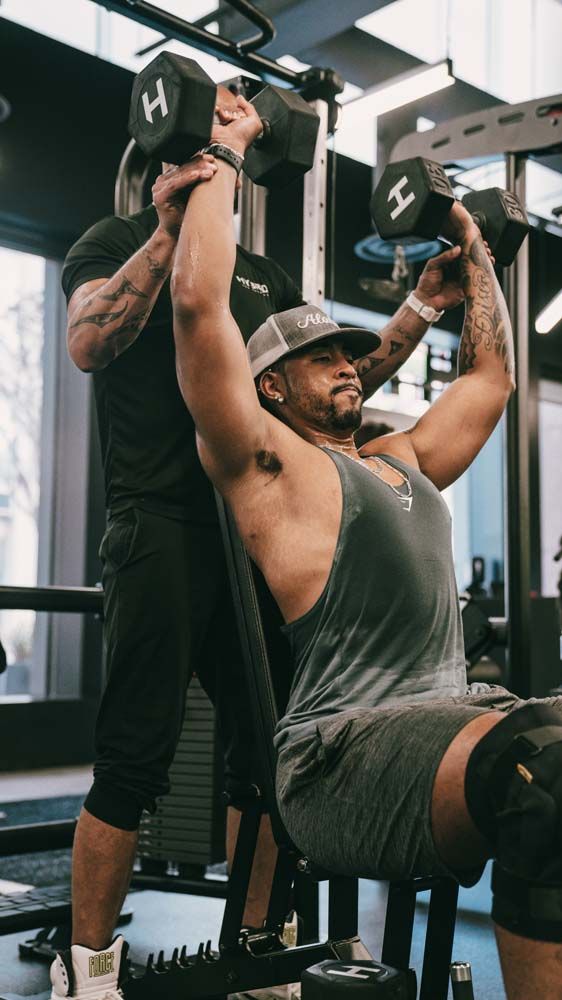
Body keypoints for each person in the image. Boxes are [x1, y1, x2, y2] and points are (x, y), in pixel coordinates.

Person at [51, 84, 464, 1000]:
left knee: (269, 752)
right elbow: (86, 342)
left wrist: (425, 307)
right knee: (134, 756)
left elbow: (335, 376)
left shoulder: (267, 278)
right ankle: (87, 970)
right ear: (172, 156)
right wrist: (165, 229)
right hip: (158, 523)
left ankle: (256, 946)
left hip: (255, 534)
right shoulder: (114, 241)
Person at [164, 95, 562, 1000]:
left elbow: (491, 376)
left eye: (352, 351)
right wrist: (226, 149)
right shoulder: (269, 467)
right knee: (542, 773)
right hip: (343, 756)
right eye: (322, 357)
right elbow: (197, 309)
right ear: (270, 386)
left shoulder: (400, 460)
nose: (349, 361)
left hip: (453, 716)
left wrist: (474, 245)